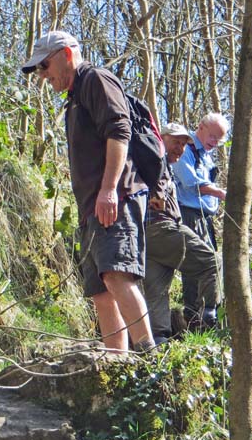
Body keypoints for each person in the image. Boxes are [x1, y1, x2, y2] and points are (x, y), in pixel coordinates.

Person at [22, 30, 155, 352]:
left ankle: (150, 358)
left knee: (117, 275)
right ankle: (116, 363)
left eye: (45, 65)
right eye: (38, 69)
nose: (42, 75)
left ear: (67, 55)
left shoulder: (96, 80)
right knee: (101, 291)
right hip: (93, 206)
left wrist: (109, 190)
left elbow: (119, 131)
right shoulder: (75, 98)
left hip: (116, 198)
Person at [143, 122, 220, 344]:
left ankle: (159, 341)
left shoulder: (159, 165)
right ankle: (208, 319)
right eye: (175, 142)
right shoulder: (155, 161)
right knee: (212, 261)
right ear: (161, 140)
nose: (180, 148)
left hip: (145, 235)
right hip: (161, 228)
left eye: (184, 144)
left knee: (156, 291)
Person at [172, 112, 228, 327]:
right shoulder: (186, 149)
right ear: (201, 127)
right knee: (198, 263)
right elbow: (189, 181)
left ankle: (209, 312)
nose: (214, 142)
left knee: (211, 263)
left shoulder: (206, 155)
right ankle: (196, 316)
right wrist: (219, 193)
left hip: (205, 218)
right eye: (212, 136)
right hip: (188, 214)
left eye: (219, 139)